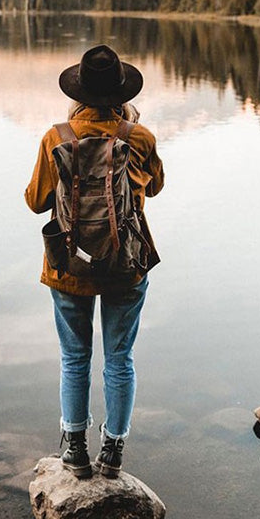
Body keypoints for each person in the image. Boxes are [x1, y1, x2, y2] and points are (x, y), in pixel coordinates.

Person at [25, 44, 164, 479]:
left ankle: (75, 450)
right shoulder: (138, 138)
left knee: (75, 359)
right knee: (119, 358)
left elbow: (35, 201)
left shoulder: (56, 137)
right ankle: (113, 453)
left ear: (80, 91)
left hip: (69, 267)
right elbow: (156, 187)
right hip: (126, 264)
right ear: (121, 92)